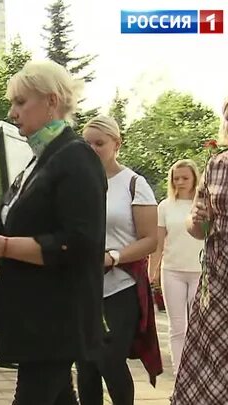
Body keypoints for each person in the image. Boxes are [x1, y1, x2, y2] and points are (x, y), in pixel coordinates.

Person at [0, 60, 106, 405]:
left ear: (51, 101)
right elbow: (21, 231)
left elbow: (80, 243)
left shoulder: (76, 158)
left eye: (21, 102)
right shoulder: (39, 160)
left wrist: (3, 247)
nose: (13, 112)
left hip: (57, 317)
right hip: (36, 315)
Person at [80, 114, 161, 405]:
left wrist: (114, 257)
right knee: (86, 366)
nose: (92, 149)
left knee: (110, 361)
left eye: (99, 143)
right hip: (83, 287)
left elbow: (150, 239)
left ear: (117, 144)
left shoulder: (134, 184)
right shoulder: (76, 183)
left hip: (121, 287)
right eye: (86, 143)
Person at [172, 98, 228, 404]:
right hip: (218, 284)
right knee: (212, 365)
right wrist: (196, 221)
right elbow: (195, 227)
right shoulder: (216, 165)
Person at [148, 159, 203, 373]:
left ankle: (198, 371)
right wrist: (152, 270)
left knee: (197, 325)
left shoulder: (203, 204)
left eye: (185, 178)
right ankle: (180, 373)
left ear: (194, 179)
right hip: (172, 271)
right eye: (176, 178)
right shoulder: (165, 206)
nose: (180, 182)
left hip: (199, 271)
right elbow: (158, 242)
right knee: (177, 326)